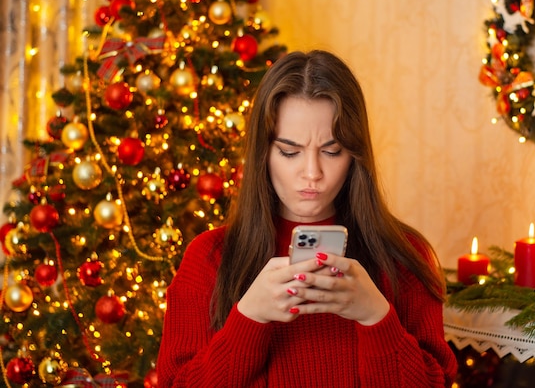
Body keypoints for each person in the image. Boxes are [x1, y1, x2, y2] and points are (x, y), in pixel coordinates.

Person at [157, 50, 458, 387]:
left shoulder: (405, 255)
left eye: (332, 151)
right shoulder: (209, 257)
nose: (312, 173)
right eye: (290, 151)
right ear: (264, 154)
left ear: (355, 155)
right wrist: (248, 318)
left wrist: (376, 316)